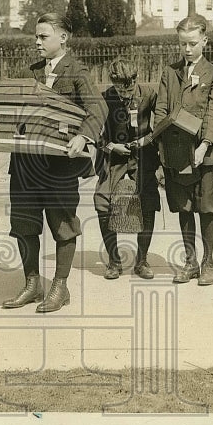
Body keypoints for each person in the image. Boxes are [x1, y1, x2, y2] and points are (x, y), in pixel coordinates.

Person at [2, 13, 105, 313]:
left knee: (63, 226)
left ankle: (60, 286)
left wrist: (84, 138)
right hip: (23, 166)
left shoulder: (78, 72)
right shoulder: (30, 71)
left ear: (63, 38)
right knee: (23, 225)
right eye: (36, 36)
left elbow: (97, 109)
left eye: (43, 36)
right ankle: (32, 284)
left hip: (59, 168)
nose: (37, 41)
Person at [155, 14, 213, 286]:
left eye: (193, 43)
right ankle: (190, 262)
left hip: (205, 154)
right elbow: (161, 110)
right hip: (176, 154)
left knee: (205, 208)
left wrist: (204, 145)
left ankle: (208, 263)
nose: (187, 49)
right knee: (184, 208)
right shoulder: (169, 72)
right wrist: (162, 143)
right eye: (183, 44)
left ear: (204, 41)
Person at [93, 58, 161, 280]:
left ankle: (141, 261)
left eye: (129, 88)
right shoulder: (105, 98)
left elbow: (162, 125)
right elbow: (95, 133)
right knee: (102, 203)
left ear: (135, 79)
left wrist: (145, 141)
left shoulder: (149, 94)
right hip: (115, 159)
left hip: (143, 156)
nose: (125, 94)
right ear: (113, 83)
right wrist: (111, 146)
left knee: (148, 204)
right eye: (120, 89)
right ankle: (114, 262)